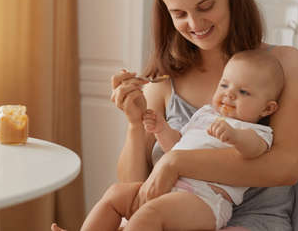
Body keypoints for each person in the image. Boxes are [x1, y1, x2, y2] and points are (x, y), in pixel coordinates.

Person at [53, 0, 298, 231]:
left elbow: (286, 168)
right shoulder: (163, 84)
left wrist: (176, 162)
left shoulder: (281, 64)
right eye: (179, 14)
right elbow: (136, 189)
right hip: (172, 216)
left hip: (253, 222)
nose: (195, 24)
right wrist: (136, 126)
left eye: (205, 6)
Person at [52, 50, 284, 231]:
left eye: (244, 92)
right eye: (224, 85)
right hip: (169, 188)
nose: (229, 94)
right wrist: (161, 129)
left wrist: (234, 136)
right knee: (115, 194)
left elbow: (253, 151)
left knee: (148, 215)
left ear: (267, 108)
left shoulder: (256, 131)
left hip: (205, 201)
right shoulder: (205, 115)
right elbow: (177, 146)